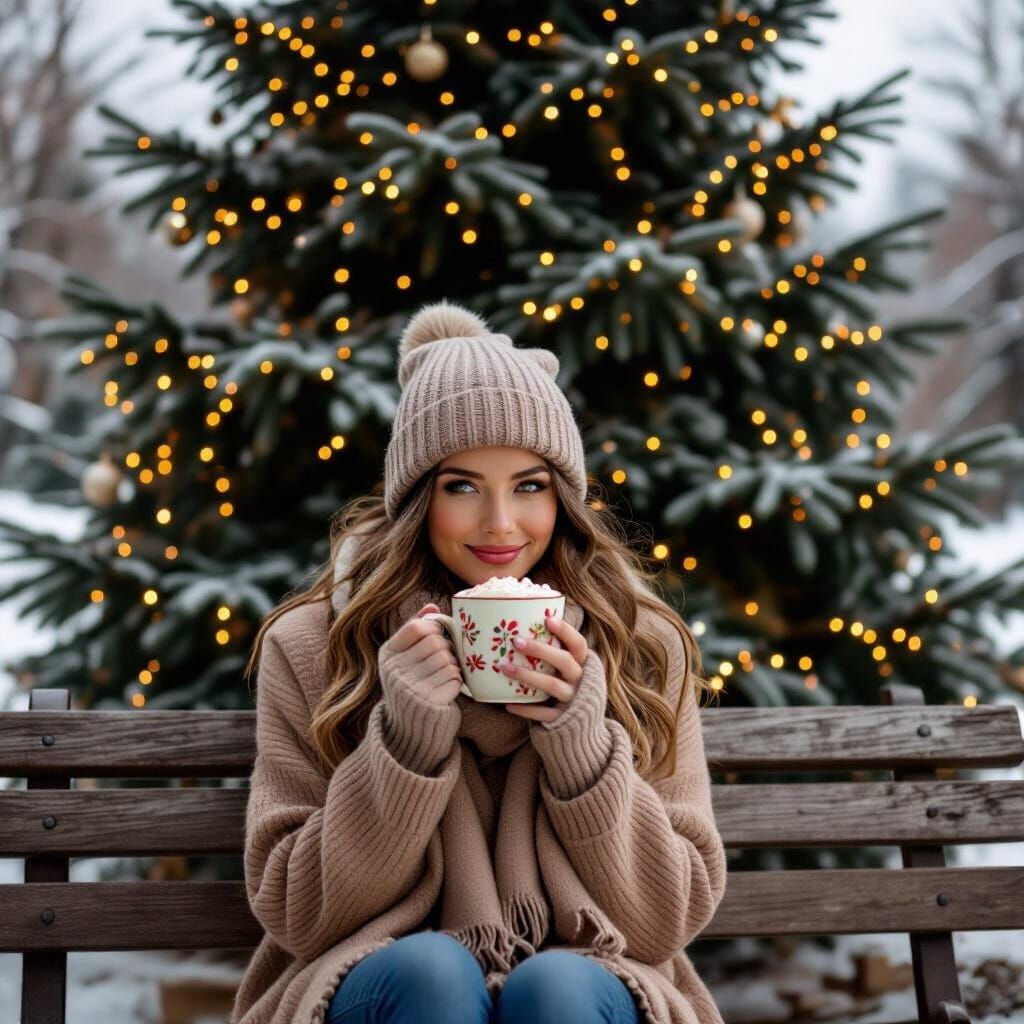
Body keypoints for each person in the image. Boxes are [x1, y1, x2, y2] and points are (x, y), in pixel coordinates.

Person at [231, 300, 728, 1024]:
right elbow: (296, 913)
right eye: (461, 486)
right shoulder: (318, 644)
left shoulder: (639, 644)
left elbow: (665, 922)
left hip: (589, 988)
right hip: (380, 985)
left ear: (564, 498)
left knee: (557, 988)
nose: (500, 523)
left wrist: (583, 750)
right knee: (432, 972)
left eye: (530, 485)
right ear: (416, 499)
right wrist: (403, 747)